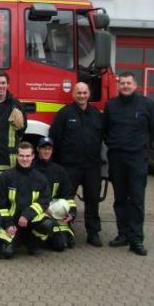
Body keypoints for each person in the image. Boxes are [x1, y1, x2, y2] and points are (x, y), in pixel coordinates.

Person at [103, 72, 154, 256]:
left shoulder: (147, 104)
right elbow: (105, 130)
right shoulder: (111, 106)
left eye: (129, 83)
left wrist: (142, 146)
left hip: (137, 159)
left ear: (136, 85)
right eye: (122, 83)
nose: (125, 86)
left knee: (136, 200)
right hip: (117, 158)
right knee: (120, 199)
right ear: (118, 86)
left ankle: (136, 239)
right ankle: (123, 234)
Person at [49, 82, 104, 247]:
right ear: (73, 94)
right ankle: (66, 231)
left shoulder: (97, 114)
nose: (82, 95)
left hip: (92, 166)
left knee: (93, 200)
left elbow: (103, 137)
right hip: (70, 166)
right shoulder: (65, 113)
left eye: (84, 92)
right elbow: (54, 138)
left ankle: (93, 233)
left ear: (89, 94)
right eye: (79, 92)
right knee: (66, 201)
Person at [0, 142, 54, 258]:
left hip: (31, 221)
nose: (24, 159)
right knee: (5, 253)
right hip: (12, 222)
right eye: (21, 156)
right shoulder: (6, 177)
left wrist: (27, 215)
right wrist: (8, 224)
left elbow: (44, 201)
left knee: (48, 223)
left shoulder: (40, 178)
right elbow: (0, 205)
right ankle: (17, 240)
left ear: (33, 156)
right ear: (16, 156)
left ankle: (32, 241)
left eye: (28, 156)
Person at [34, 137, 76, 251]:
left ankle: (51, 236)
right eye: (43, 148)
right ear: (38, 149)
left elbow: (68, 194)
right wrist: (42, 208)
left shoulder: (59, 171)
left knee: (61, 245)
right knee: (44, 229)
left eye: (49, 149)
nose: (46, 151)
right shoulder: (31, 169)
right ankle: (35, 238)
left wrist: (71, 212)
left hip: (55, 212)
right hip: (37, 211)